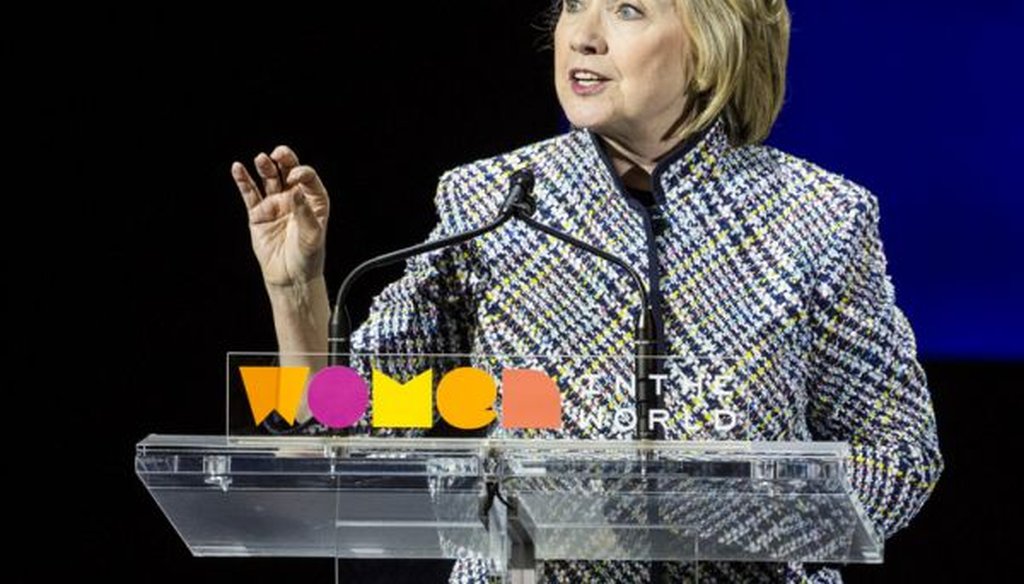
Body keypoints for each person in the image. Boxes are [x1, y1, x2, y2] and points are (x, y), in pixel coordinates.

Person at [230, 1, 944, 582]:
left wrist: (715, 516)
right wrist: (297, 290)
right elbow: (348, 422)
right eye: (574, 6)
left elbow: (900, 451)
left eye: (628, 10)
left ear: (714, 45)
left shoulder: (816, 216)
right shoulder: (494, 202)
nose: (583, 36)